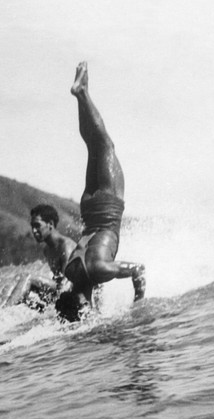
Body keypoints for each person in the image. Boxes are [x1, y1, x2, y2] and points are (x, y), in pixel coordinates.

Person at [58, 61, 145, 321]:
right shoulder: (71, 273)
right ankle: (80, 95)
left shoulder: (99, 270)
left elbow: (138, 269)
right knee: (93, 146)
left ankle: (81, 93)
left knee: (105, 144)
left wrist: (138, 304)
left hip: (107, 207)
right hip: (88, 209)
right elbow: (86, 286)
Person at [0, 204, 76, 311]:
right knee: (20, 277)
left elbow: (67, 285)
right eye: (32, 226)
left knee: (29, 278)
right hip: (59, 294)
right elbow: (57, 280)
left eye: (37, 225)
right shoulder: (47, 250)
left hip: (70, 298)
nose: (34, 231)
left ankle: (2, 314)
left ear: (50, 224)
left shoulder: (66, 246)